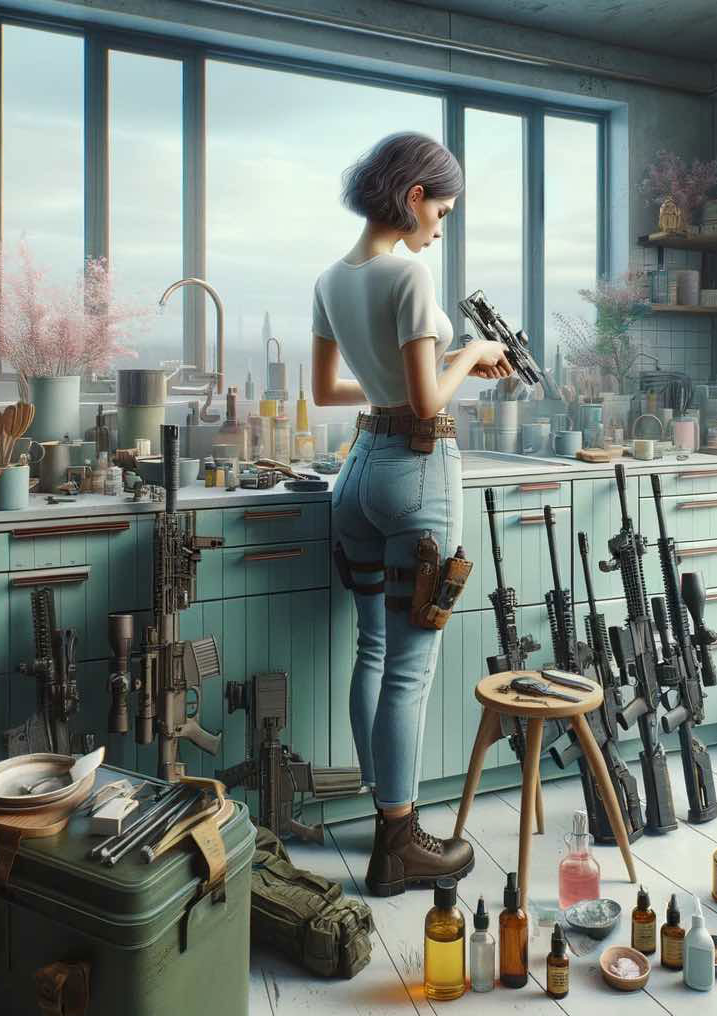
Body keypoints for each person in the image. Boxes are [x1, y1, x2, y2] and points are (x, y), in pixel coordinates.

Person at [311, 132, 513, 895]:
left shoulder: (332, 278)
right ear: (413, 196)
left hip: (357, 474)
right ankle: (398, 847)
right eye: (443, 210)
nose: (440, 226)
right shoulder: (410, 275)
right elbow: (428, 401)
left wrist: (410, 373)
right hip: (417, 472)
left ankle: (381, 809)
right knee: (410, 670)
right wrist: (470, 353)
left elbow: (330, 392)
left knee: (371, 649)